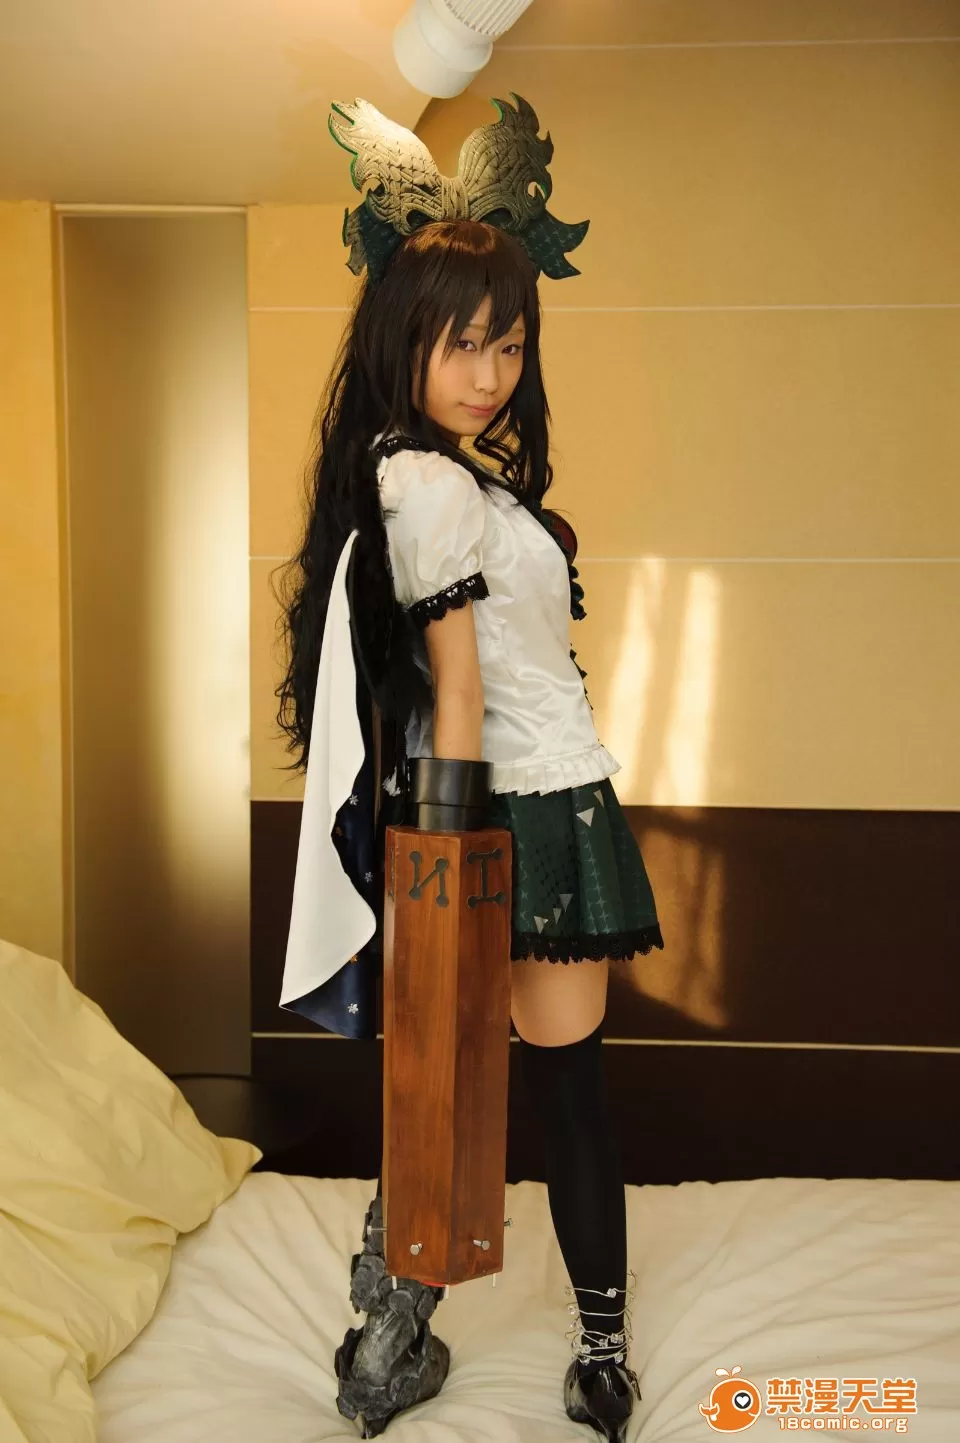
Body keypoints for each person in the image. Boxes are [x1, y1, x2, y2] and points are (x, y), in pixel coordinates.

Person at [273, 94, 665, 1442]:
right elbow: (453, 688)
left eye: (509, 341)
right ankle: (507, 1344)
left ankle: (477, 1339)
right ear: (406, 340)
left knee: (502, 1084)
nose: (490, 370)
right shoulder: (425, 480)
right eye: (462, 342)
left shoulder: (453, 477)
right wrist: (442, 863)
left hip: (541, 799)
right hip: (499, 813)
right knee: (509, 1086)